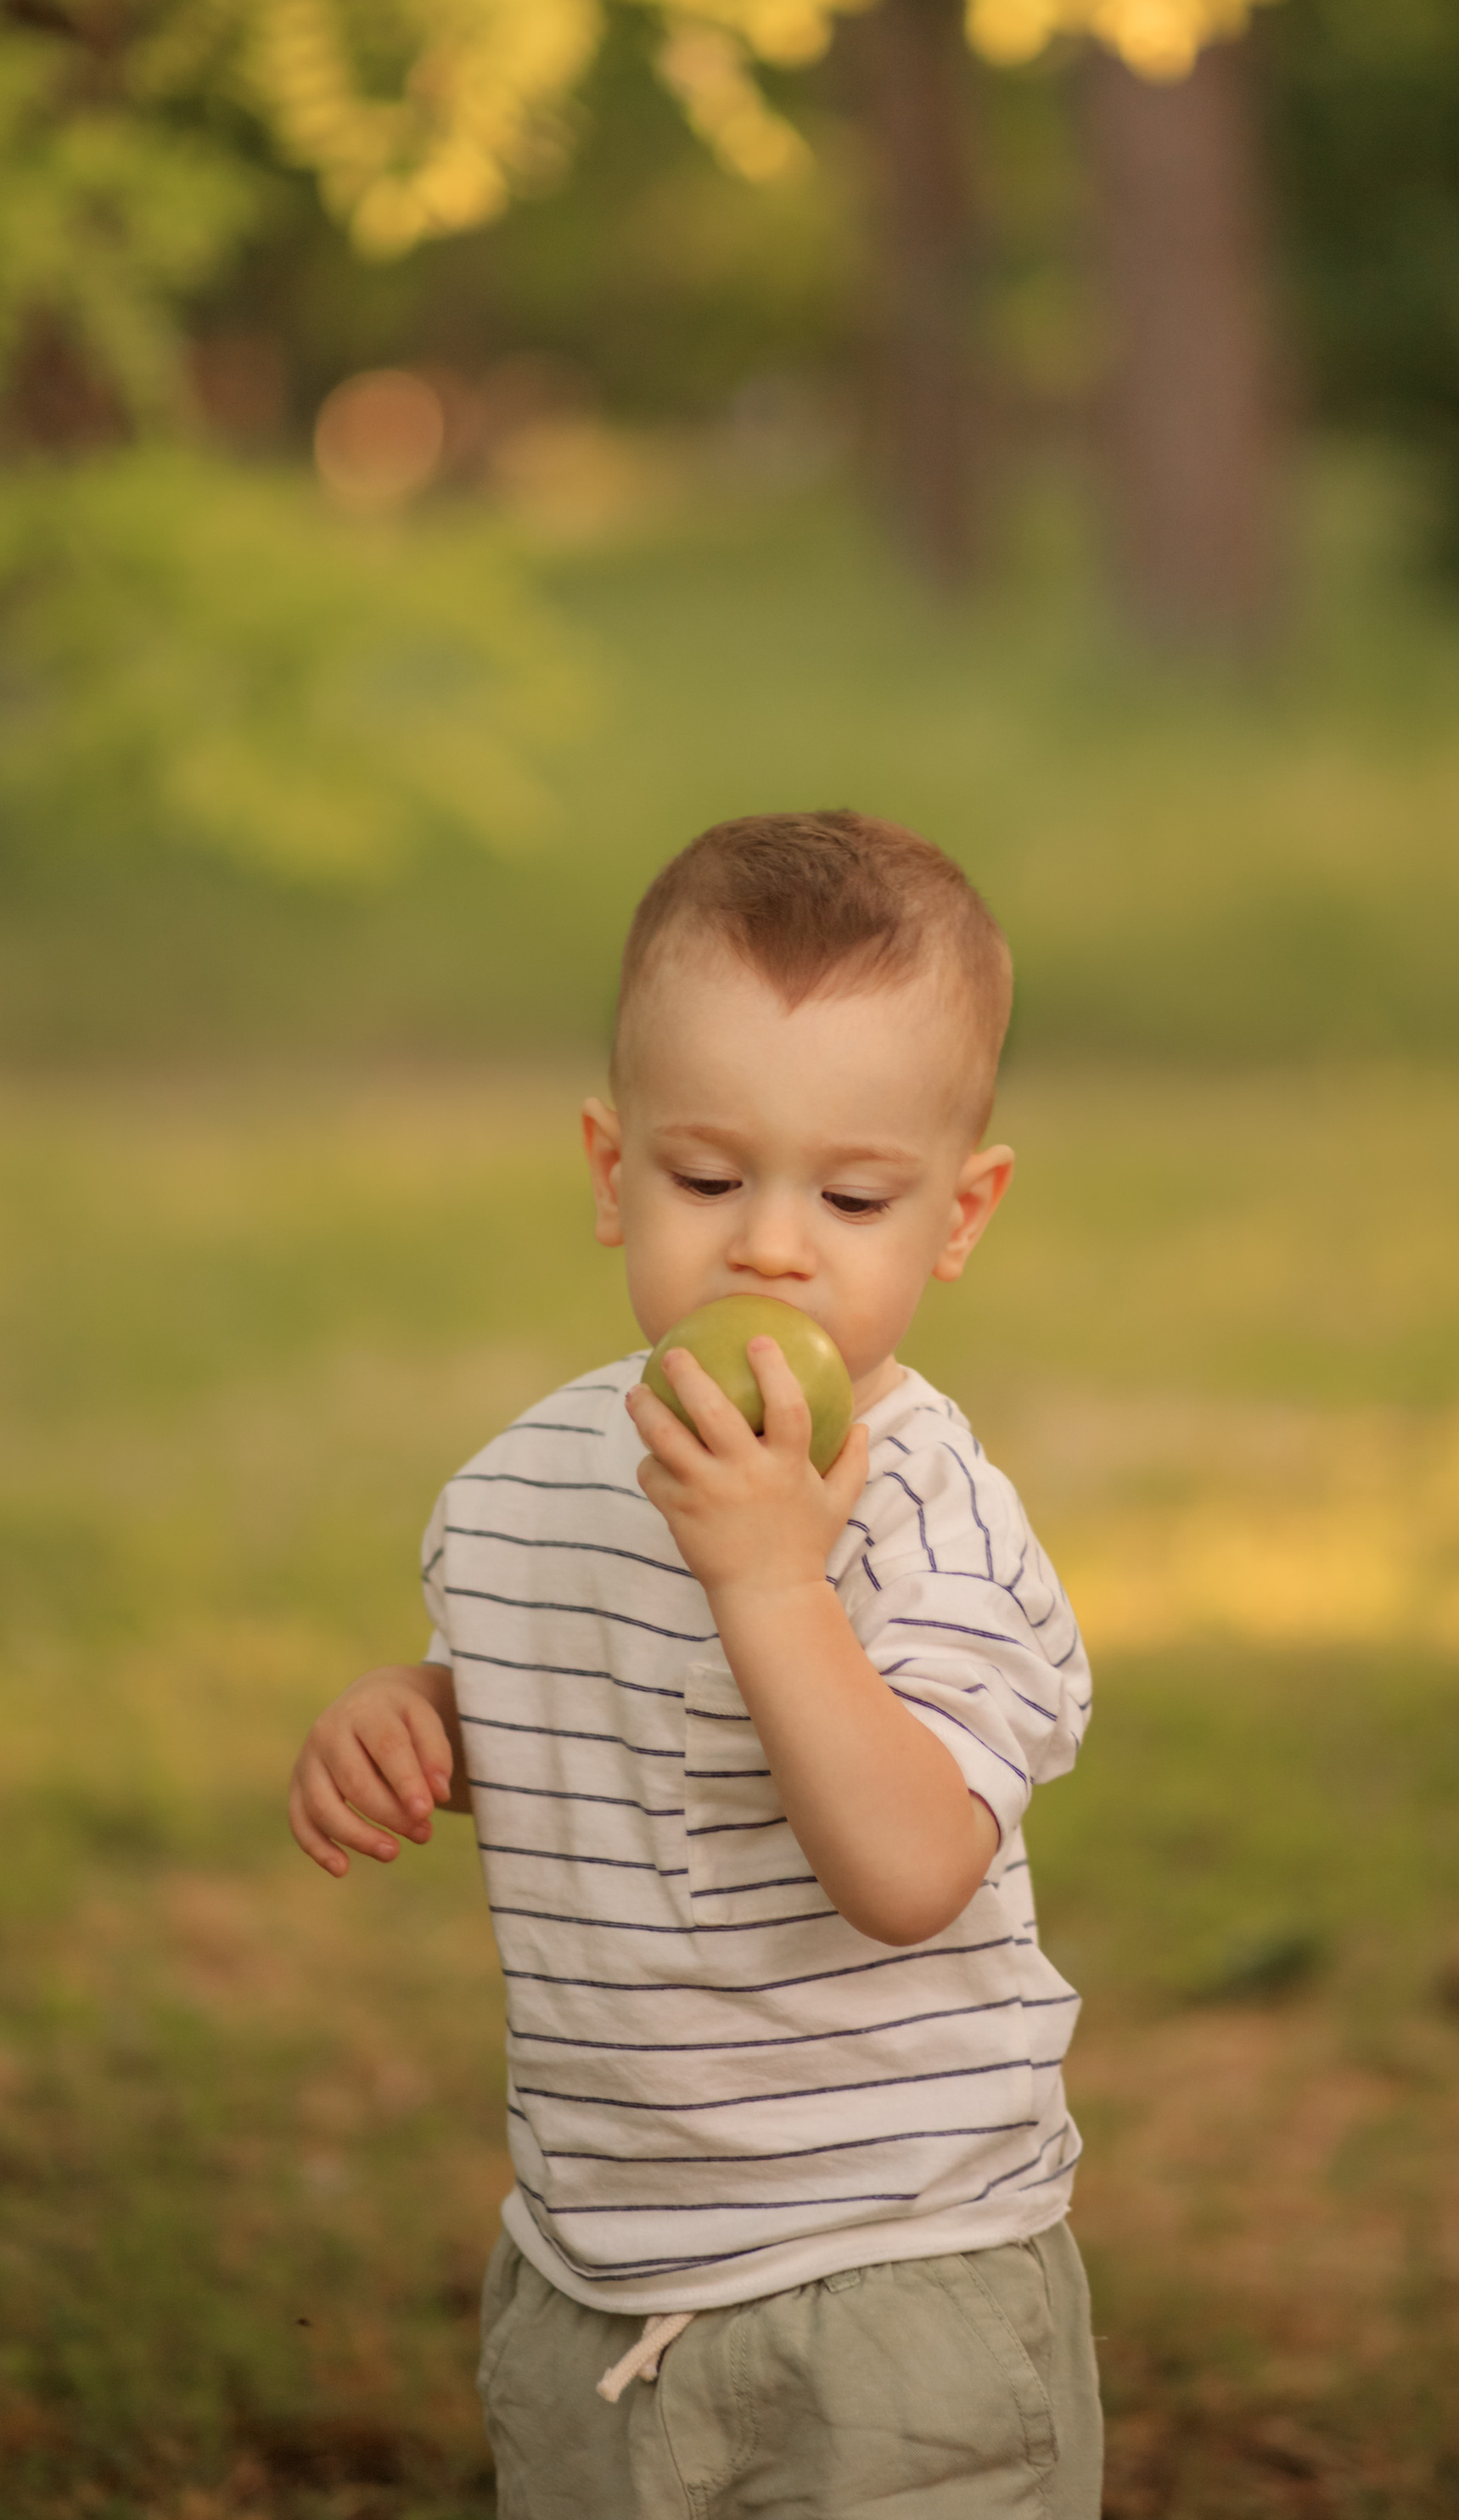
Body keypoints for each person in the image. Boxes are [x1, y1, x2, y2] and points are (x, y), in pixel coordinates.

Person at [288, 811, 1101, 2518]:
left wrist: (772, 1581)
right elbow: (560, 1709)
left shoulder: (929, 1518)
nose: (770, 1249)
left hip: (895, 2278)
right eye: (708, 1180)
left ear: (958, 1214)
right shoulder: (523, 1484)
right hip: (594, 2269)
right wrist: (416, 1720)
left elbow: (911, 1869)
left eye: (853, 1196)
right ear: (612, 1173)